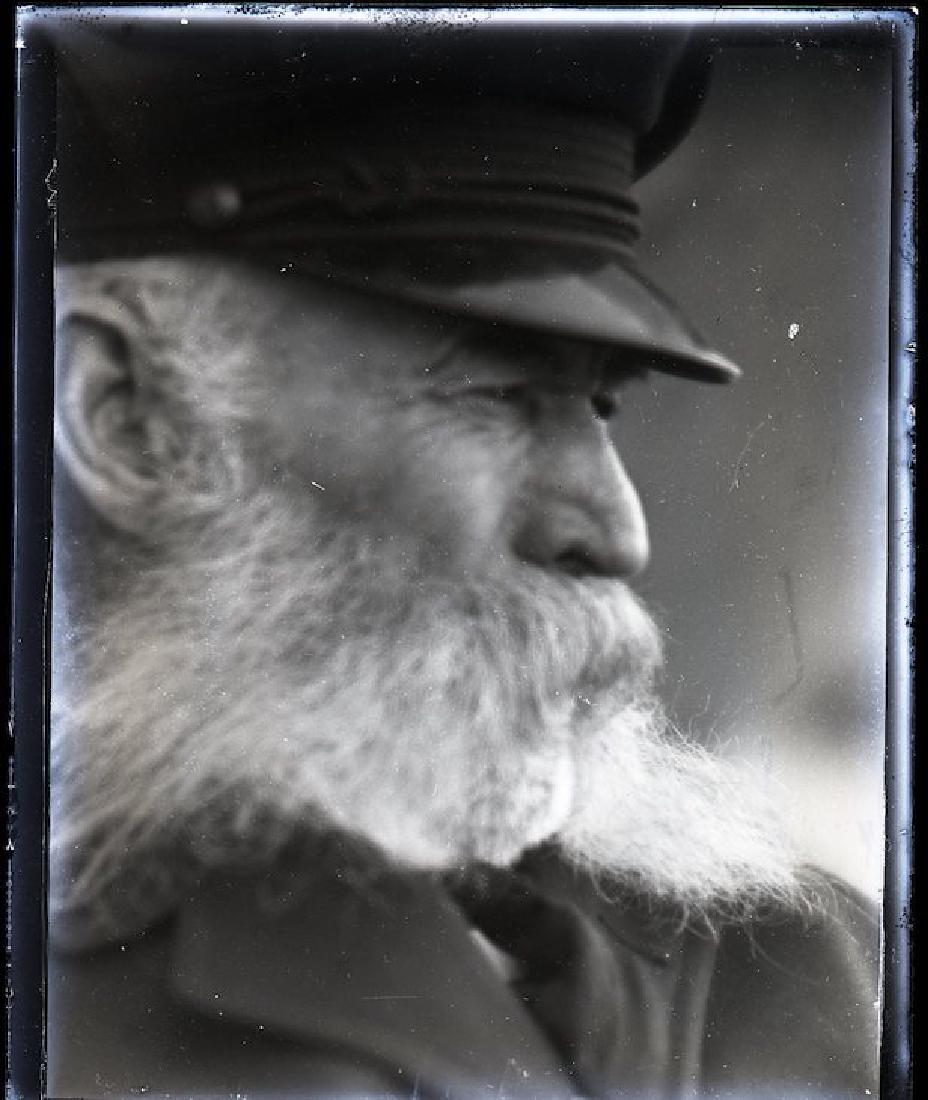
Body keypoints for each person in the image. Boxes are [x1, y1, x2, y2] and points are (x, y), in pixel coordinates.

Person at [43, 11, 879, 1098]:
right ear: (127, 416)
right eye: (493, 394)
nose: (617, 528)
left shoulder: (811, 970)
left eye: (598, 402)